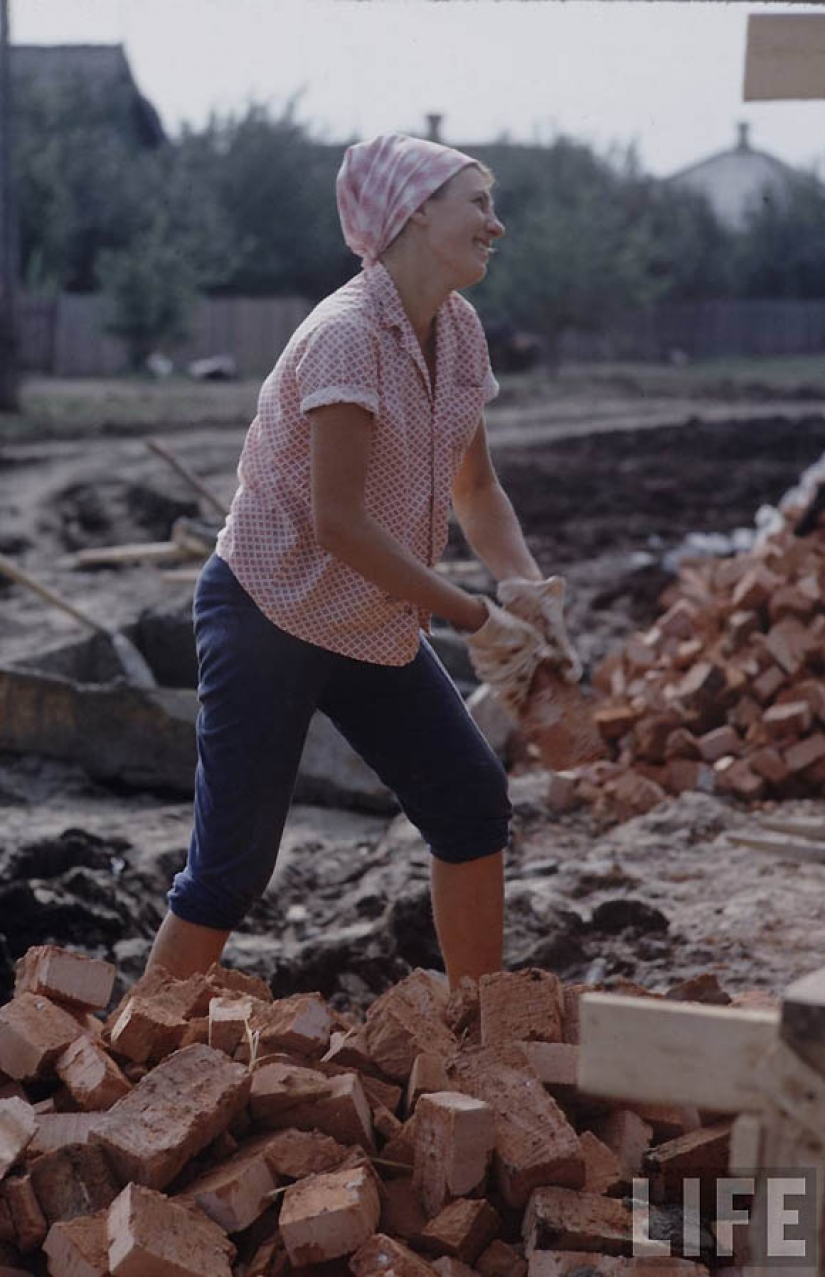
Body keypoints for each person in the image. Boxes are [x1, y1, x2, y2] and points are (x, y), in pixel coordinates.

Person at [146, 133, 579, 990]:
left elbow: (477, 485)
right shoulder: (347, 336)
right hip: (269, 615)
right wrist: (472, 616)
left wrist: (521, 583)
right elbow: (339, 524)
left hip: (367, 621)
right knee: (229, 870)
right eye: (478, 205)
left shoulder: (454, 330)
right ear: (415, 212)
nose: (496, 225)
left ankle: (477, 1029)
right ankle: (120, 1067)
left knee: (469, 804)